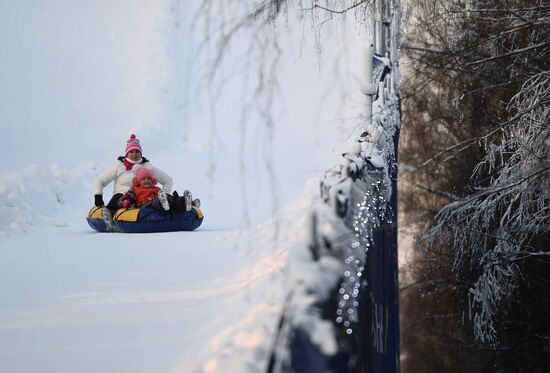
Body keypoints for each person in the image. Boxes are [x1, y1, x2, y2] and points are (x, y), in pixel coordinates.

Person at [93, 134, 173, 226]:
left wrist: (164, 195)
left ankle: (177, 205)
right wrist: (98, 197)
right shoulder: (119, 166)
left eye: (137, 152)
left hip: (142, 197)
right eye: (131, 152)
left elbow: (168, 180)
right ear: (127, 153)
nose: (134, 154)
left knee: (156, 201)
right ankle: (108, 217)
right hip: (122, 197)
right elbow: (100, 180)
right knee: (117, 197)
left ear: (141, 153)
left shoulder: (147, 167)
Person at [117, 167, 195, 212]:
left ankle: (185, 202)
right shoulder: (135, 189)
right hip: (145, 205)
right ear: (139, 181)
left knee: (170, 198)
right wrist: (125, 201)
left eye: (149, 179)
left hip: (160, 201)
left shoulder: (156, 188)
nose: (146, 180)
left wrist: (168, 198)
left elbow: (163, 195)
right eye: (143, 179)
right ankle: (162, 203)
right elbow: (127, 197)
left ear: (152, 180)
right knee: (155, 202)